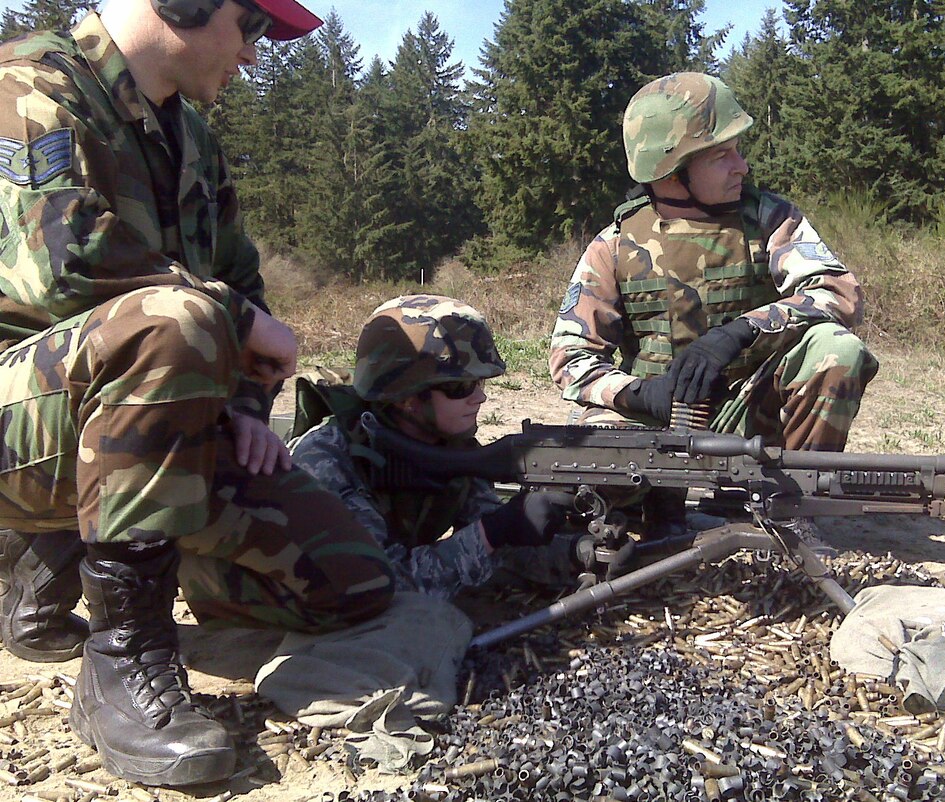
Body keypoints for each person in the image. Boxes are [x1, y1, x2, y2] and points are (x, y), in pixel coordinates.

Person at [0, 0, 396, 787]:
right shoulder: (29, 84)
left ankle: (56, 559)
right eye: (250, 28)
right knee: (178, 317)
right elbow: (60, 261)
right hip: (21, 424)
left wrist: (247, 413)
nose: (253, 56)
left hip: (143, 426)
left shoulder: (194, 140)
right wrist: (232, 316)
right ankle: (123, 658)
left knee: (349, 580)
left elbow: (243, 281)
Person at [550, 72, 879, 548]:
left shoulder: (769, 220)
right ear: (672, 167)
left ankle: (789, 509)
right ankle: (650, 511)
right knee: (588, 472)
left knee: (837, 350)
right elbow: (570, 358)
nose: (741, 166)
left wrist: (744, 331)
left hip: (749, 413)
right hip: (656, 419)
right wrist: (639, 394)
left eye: (739, 150)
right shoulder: (615, 244)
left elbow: (836, 292)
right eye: (722, 154)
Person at [290, 294, 577, 600]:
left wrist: (575, 555)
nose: (479, 398)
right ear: (406, 397)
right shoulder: (326, 461)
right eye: (460, 387)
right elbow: (383, 587)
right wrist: (495, 530)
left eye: (480, 384)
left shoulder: (448, 446)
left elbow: (497, 549)